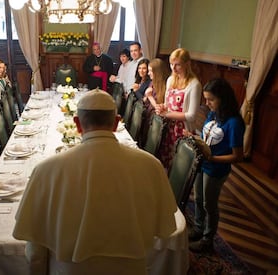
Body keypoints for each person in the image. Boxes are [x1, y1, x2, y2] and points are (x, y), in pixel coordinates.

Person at [13, 90, 178, 275]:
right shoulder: (151, 166)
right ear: (116, 123)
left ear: (77, 124)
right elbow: (165, 233)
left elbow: (36, 252)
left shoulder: (45, 170)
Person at [187, 78, 245, 252]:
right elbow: (208, 136)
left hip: (216, 169)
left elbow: (237, 156)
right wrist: (195, 137)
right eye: (206, 99)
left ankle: (207, 239)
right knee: (198, 198)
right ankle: (198, 228)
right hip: (203, 163)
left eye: (211, 99)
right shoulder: (214, 114)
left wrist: (212, 159)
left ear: (223, 98)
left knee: (209, 204)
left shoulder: (234, 123)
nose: (207, 103)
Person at [155, 48, 202, 170]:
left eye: (178, 65)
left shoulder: (194, 84)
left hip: (182, 130)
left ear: (187, 64)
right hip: (168, 128)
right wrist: (162, 107)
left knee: (178, 167)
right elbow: (167, 104)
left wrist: (167, 114)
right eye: (171, 64)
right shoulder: (171, 79)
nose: (173, 68)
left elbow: (191, 115)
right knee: (165, 163)